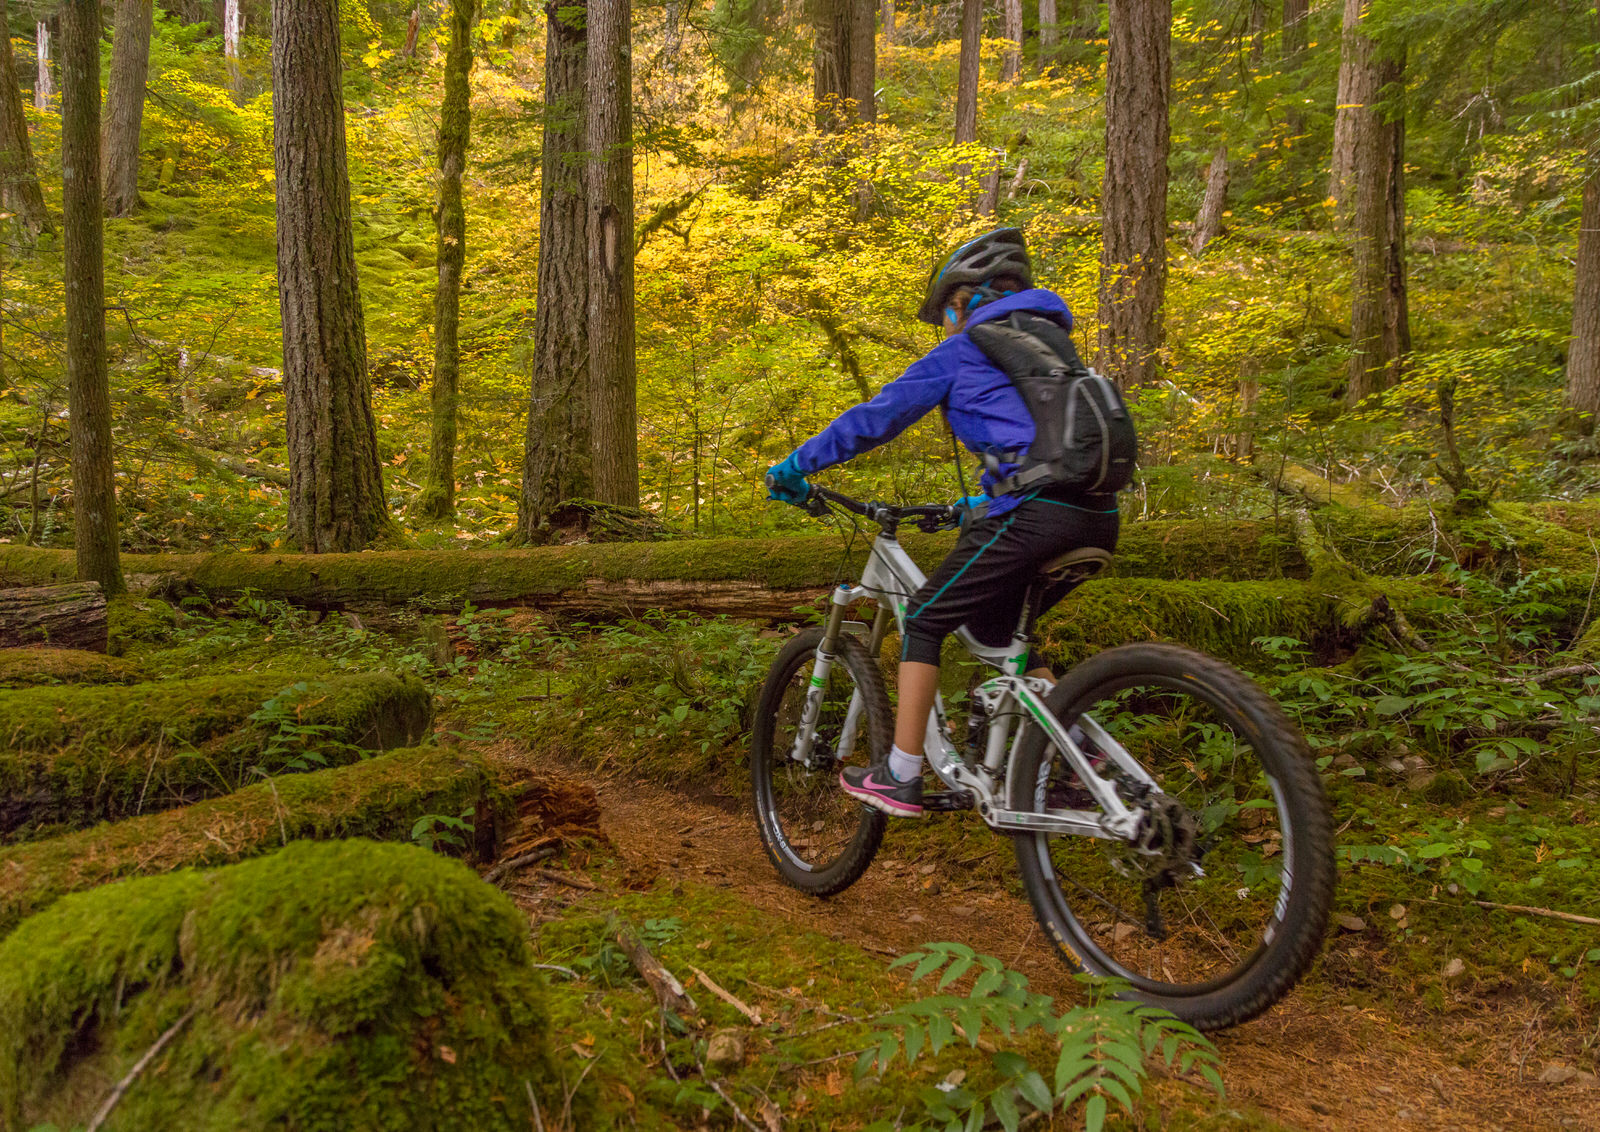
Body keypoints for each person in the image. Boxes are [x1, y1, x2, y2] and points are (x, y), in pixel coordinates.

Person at [764, 228, 1120, 818]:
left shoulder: (967, 348)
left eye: (949, 311)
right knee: (997, 634)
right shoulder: (1051, 347)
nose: (948, 325)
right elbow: (1039, 445)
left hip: (1033, 515)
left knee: (925, 617)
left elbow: (878, 416)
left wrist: (797, 464)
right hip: (1096, 518)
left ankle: (901, 774)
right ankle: (1077, 756)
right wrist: (975, 506)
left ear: (968, 299)